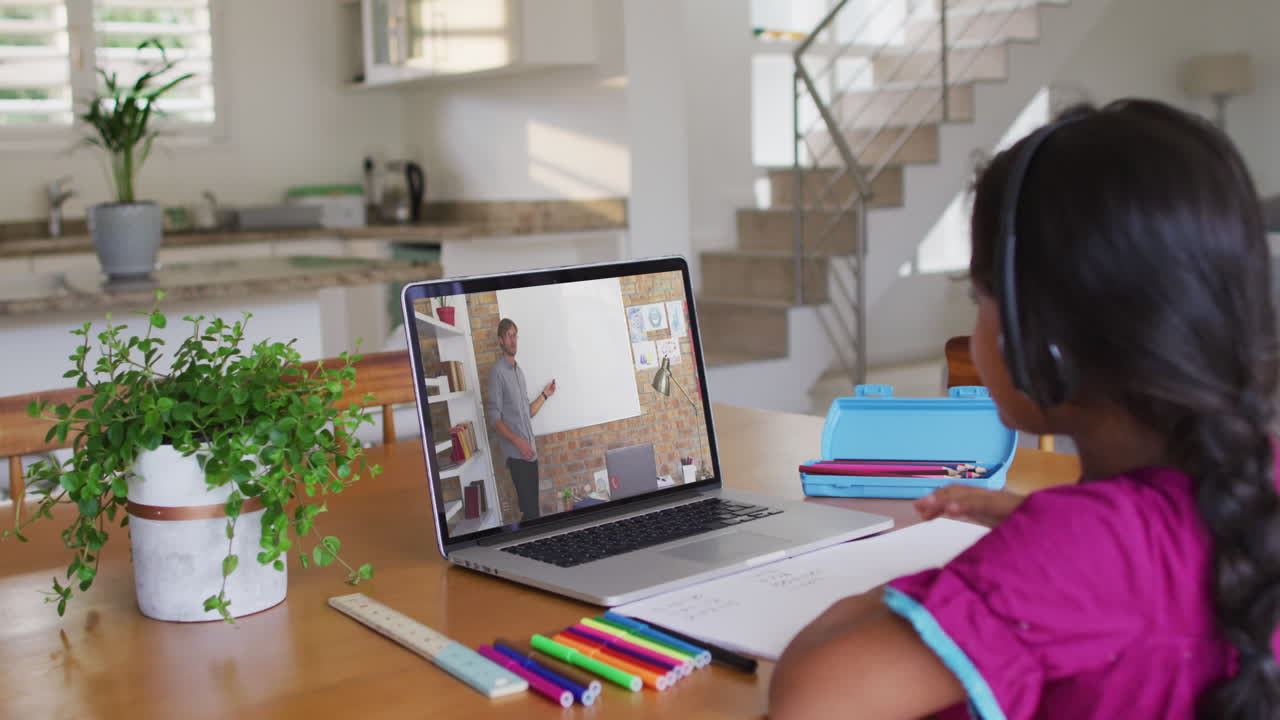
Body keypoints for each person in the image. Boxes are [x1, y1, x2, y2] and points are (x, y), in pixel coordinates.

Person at [769, 99, 1280, 719]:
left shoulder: (1082, 551)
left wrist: (977, 579)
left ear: (1043, 331)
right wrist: (1040, 532)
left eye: (980, 292)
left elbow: (813, 702)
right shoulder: (1250, 488)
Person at [486, 318, 556, 522]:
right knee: (531, 513)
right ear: (500, 340)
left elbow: (528, 412)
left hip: (530, 452)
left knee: (532, 510)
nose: (513, 340)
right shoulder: (497, 373)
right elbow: (494, 418)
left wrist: (545, 395)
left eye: (515, 335)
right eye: (509, 336)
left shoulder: (520, 372)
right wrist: (519, 442)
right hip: (517, 454)